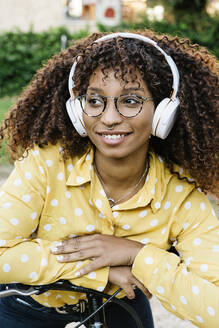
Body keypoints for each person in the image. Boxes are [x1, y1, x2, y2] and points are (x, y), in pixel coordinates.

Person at [0, 30, 218, 328]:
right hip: (24, 307)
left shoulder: (180, 195)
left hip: (119, 307)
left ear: (163, 112)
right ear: (78, 110)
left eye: (130, 101)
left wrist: (138, 255)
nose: (109, 118)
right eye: (94, 101)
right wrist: (99, 272)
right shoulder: (45, 165)